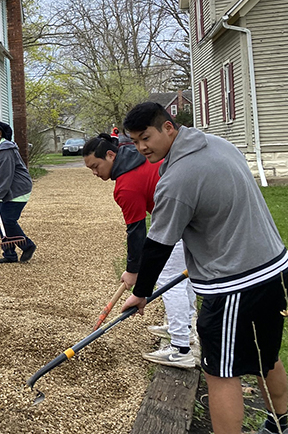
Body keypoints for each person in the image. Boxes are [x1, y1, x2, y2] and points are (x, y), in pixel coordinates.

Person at [120, 102, 288, 434]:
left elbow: (158, 246)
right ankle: (282, 423)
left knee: (220, 372)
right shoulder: (217, 143)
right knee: (264, 356)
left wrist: (141, 294)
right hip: (274, 267)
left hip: (236, 283)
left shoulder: (178, 179)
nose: (141, 148)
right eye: (135, 141)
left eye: (146, 137)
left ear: (168, 128)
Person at [83, 132, 196, 369]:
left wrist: (133, 271)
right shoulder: (134, 154)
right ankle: (184, 327)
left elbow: (136, 232)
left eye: (96, 166)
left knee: (169, 280)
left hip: (176, 218)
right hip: (188, 213)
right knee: (181, 277)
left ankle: (180, 348)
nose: (95, 173)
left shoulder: (125, 186)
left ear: (111, 155)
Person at [0, 119, 35, 264]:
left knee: (7, 220)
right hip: (3, 192)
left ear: (0, 133)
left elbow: (5, 175)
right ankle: (9, 254)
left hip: (16, 191)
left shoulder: (5, 148)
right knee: (1, 221)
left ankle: (27, 246)